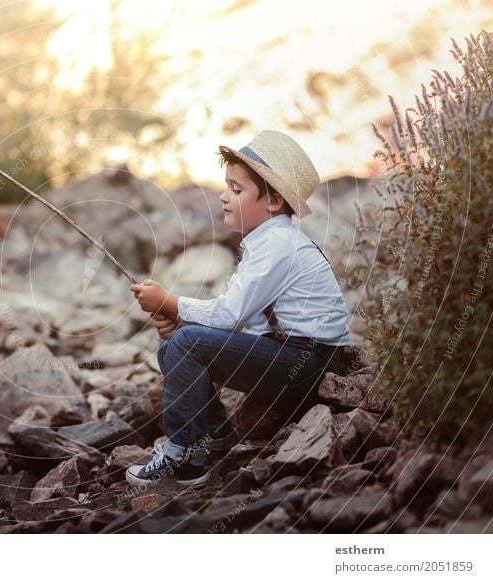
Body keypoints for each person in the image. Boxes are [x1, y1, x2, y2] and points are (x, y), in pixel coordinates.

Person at [126, 130, 351, 488]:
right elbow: (241, 322)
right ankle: (213, 434)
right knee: (177, 343)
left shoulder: (279, 244)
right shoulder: (266, 241)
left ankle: (183, 456)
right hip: (291, 355)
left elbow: (231, 315)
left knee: (187, 343)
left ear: (274, 201)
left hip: (309, 361)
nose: (223, 196)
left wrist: (169, 302)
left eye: (236, 189)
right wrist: (181, 321)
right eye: (226, 187)